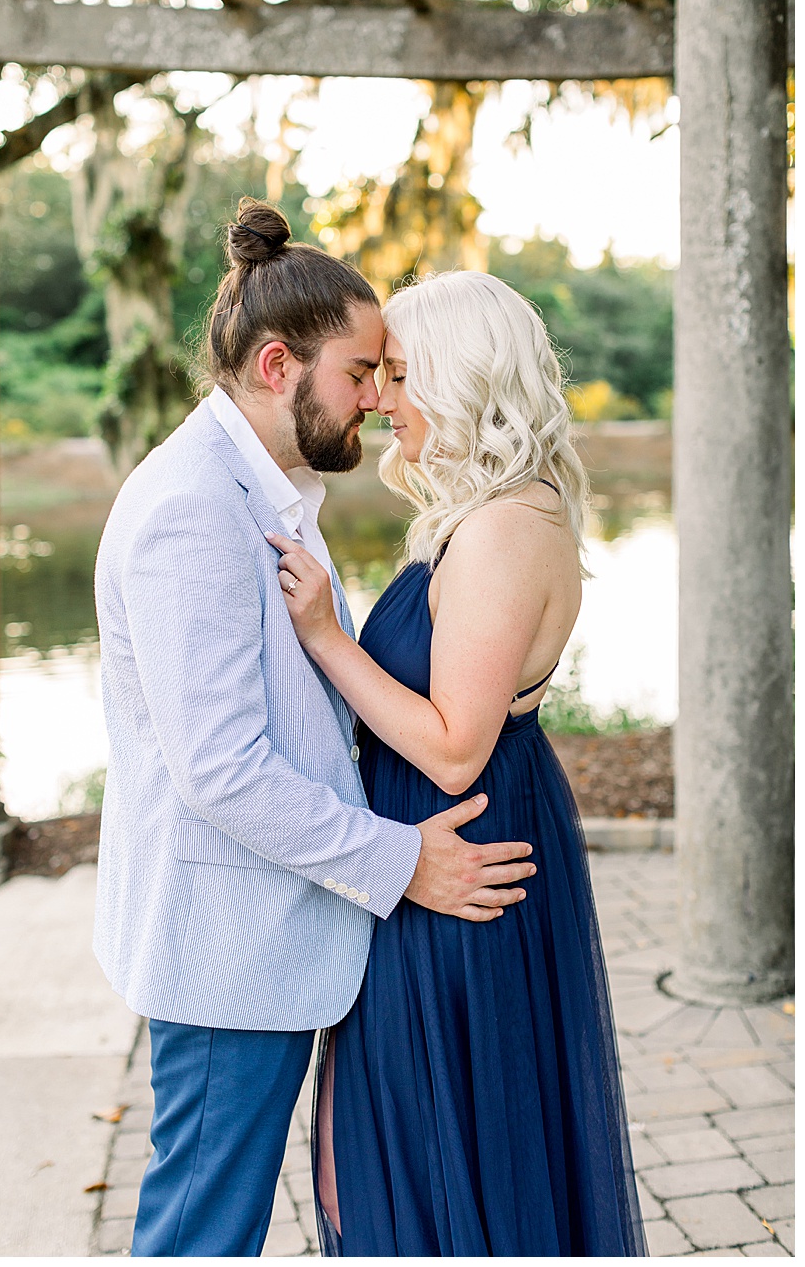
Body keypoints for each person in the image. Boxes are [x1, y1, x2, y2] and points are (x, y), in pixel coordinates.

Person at [92, 199, 540, 1257]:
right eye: (361, 373)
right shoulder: (190, 508)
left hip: (291, 931)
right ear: (279, 365)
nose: (376, 398)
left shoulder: (277, 486)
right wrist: (401, 861)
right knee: (202, 1233)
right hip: (226, 948)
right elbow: (221, 770)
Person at [268, 268, 644, 1255]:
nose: (379, 398)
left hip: (460, 860)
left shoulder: (505, 530)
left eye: (397, 373)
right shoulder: (495, 512)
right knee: (397, 1132)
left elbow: (451, 748)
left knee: (433, 1139)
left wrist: (323, 635)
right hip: (435, 859)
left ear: (460, 376)